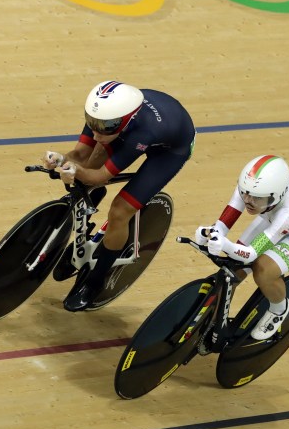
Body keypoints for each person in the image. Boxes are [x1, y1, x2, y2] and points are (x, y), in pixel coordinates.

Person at [43, 80, 195, 312]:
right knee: (88, 164)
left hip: (170, 150)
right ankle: (84, 238)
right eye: (92, 123)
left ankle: (96, 280)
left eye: (104, 127)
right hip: (130, 129)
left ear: (125, 121)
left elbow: (100, 177)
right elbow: (80, 155)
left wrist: (76, 170)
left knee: (119, 211)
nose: (96, 131)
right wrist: (61, 159)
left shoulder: (142, 133)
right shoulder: (104, 118)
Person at [195, 155, 289, 340]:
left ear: (275, 196)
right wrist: (211, 232)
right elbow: (223, 223)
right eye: (244, 194)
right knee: (231, 272)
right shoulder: (251, 188)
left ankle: (279, 309)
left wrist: (226, 245)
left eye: (256, 199)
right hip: (272, 215)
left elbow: (251, 254)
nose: (248, 201)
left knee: (263, 270)